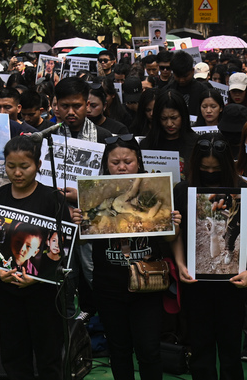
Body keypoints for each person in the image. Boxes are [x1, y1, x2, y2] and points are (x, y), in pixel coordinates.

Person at [75, 134, 179, 380]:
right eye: (115, 162)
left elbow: (168, 240)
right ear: (106, 165)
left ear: (139, 162)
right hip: (108, 286)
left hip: (148, 284)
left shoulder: (155, 192)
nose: (122, 167)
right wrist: (80, 224)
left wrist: (174, 225)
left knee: (148, 349)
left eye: (128, 161)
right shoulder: (96, 196)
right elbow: (84, 240)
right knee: (119, 350)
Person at [0, 136, 72, 380]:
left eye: (25, 166)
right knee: (13, 354)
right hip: (8, 291)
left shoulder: (53, 199)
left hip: (44, 295)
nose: (17, 173)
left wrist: (40, 277)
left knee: (48, 354)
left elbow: (64, 248)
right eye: (11, 166)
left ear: (38, 165)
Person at [172, 133, 247, 380]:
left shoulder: (241, 188)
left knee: (230, 349)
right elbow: (176, 233)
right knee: (200, 348)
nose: (210, 173)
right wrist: (180, 263)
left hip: (232, 285)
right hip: (195, 284)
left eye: (216, 168)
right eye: (204, 168)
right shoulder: (182, 189)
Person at [140, 89, 198, 180]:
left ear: (183, 116)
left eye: (174, 118)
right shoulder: (147, 144)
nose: (169, 124)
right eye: (164, 118)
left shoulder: (196, 143)